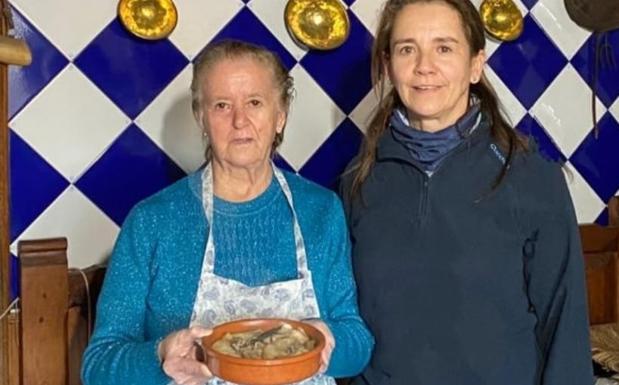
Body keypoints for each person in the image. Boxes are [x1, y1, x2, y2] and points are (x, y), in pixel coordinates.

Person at [82, 39, 373, 385]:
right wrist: (160, 356)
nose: (239, 120)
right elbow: (98, 366)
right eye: (221, 105)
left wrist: (326, 342)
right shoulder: (152, 221)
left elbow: (358, 343)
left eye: (255, 102)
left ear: (280, 116)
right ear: (201, 117)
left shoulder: (321, 211)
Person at [339, 1, 593, 385]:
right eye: (407, 48)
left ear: (476, 64)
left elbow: (565, 327)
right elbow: (347, 319)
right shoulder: (359, 180)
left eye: (444, 47)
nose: (424, 65)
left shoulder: (530, 177)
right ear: (389, 64)